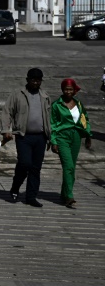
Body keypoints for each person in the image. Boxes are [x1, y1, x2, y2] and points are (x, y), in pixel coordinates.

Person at [0, 68, 51, 208]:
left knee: (36, 168)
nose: (36, 82)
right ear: (27, 80)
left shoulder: (45, 96)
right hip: (23, 136)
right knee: (24, 163)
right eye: (33, 79)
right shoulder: (18, 94)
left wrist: (51, 137)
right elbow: (7, 112)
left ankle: (31, 197)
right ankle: (16, 186)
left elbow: (49, 118)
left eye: (38, 80)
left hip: (41, 137)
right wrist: (6, 130)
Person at [50, 78, 92, 208]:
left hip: (76, 136)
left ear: (74, 91)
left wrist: (88, 135)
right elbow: (53, 124)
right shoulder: (57, 105)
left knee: (72, 166)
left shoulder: (79, 104)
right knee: (68, 166)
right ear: (62, 90)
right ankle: (69, 196)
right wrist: (53, 141)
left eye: (70, 89)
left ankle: (64, 194)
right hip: (62, 136)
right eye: (66, 89)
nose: (68, 92)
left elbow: (85, 119)